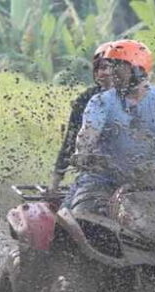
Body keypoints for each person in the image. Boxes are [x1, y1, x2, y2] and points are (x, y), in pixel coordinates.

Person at [53, 39, 155, 213]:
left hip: (153, 184)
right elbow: (88, 133)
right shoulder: (101, 101)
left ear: (138, 69)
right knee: (80, 218)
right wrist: (82, 153)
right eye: (111, 65)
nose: (111, 71)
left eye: (118, 66)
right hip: (102, 181)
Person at [50, 42, 114, 190]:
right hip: (97, 174)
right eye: (100, 68)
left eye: (110, 67)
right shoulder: (88, 99)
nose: (104, 73)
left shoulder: (141, 99)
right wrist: (55, 180)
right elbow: (71, 140)